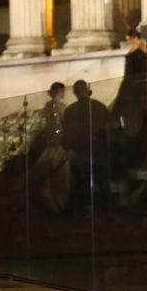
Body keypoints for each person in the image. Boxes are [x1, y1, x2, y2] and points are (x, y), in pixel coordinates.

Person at [61, 80, 112, 210]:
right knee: (102, 181)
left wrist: (69, 149)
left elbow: (66, 134)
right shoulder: (100, 107)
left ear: (74, 92)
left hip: (79, 154)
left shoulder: (71, 110)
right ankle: (106, 209)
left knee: (81, 183)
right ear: (88, 90)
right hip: (99, 151)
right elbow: (108, 129)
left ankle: (85, 209)